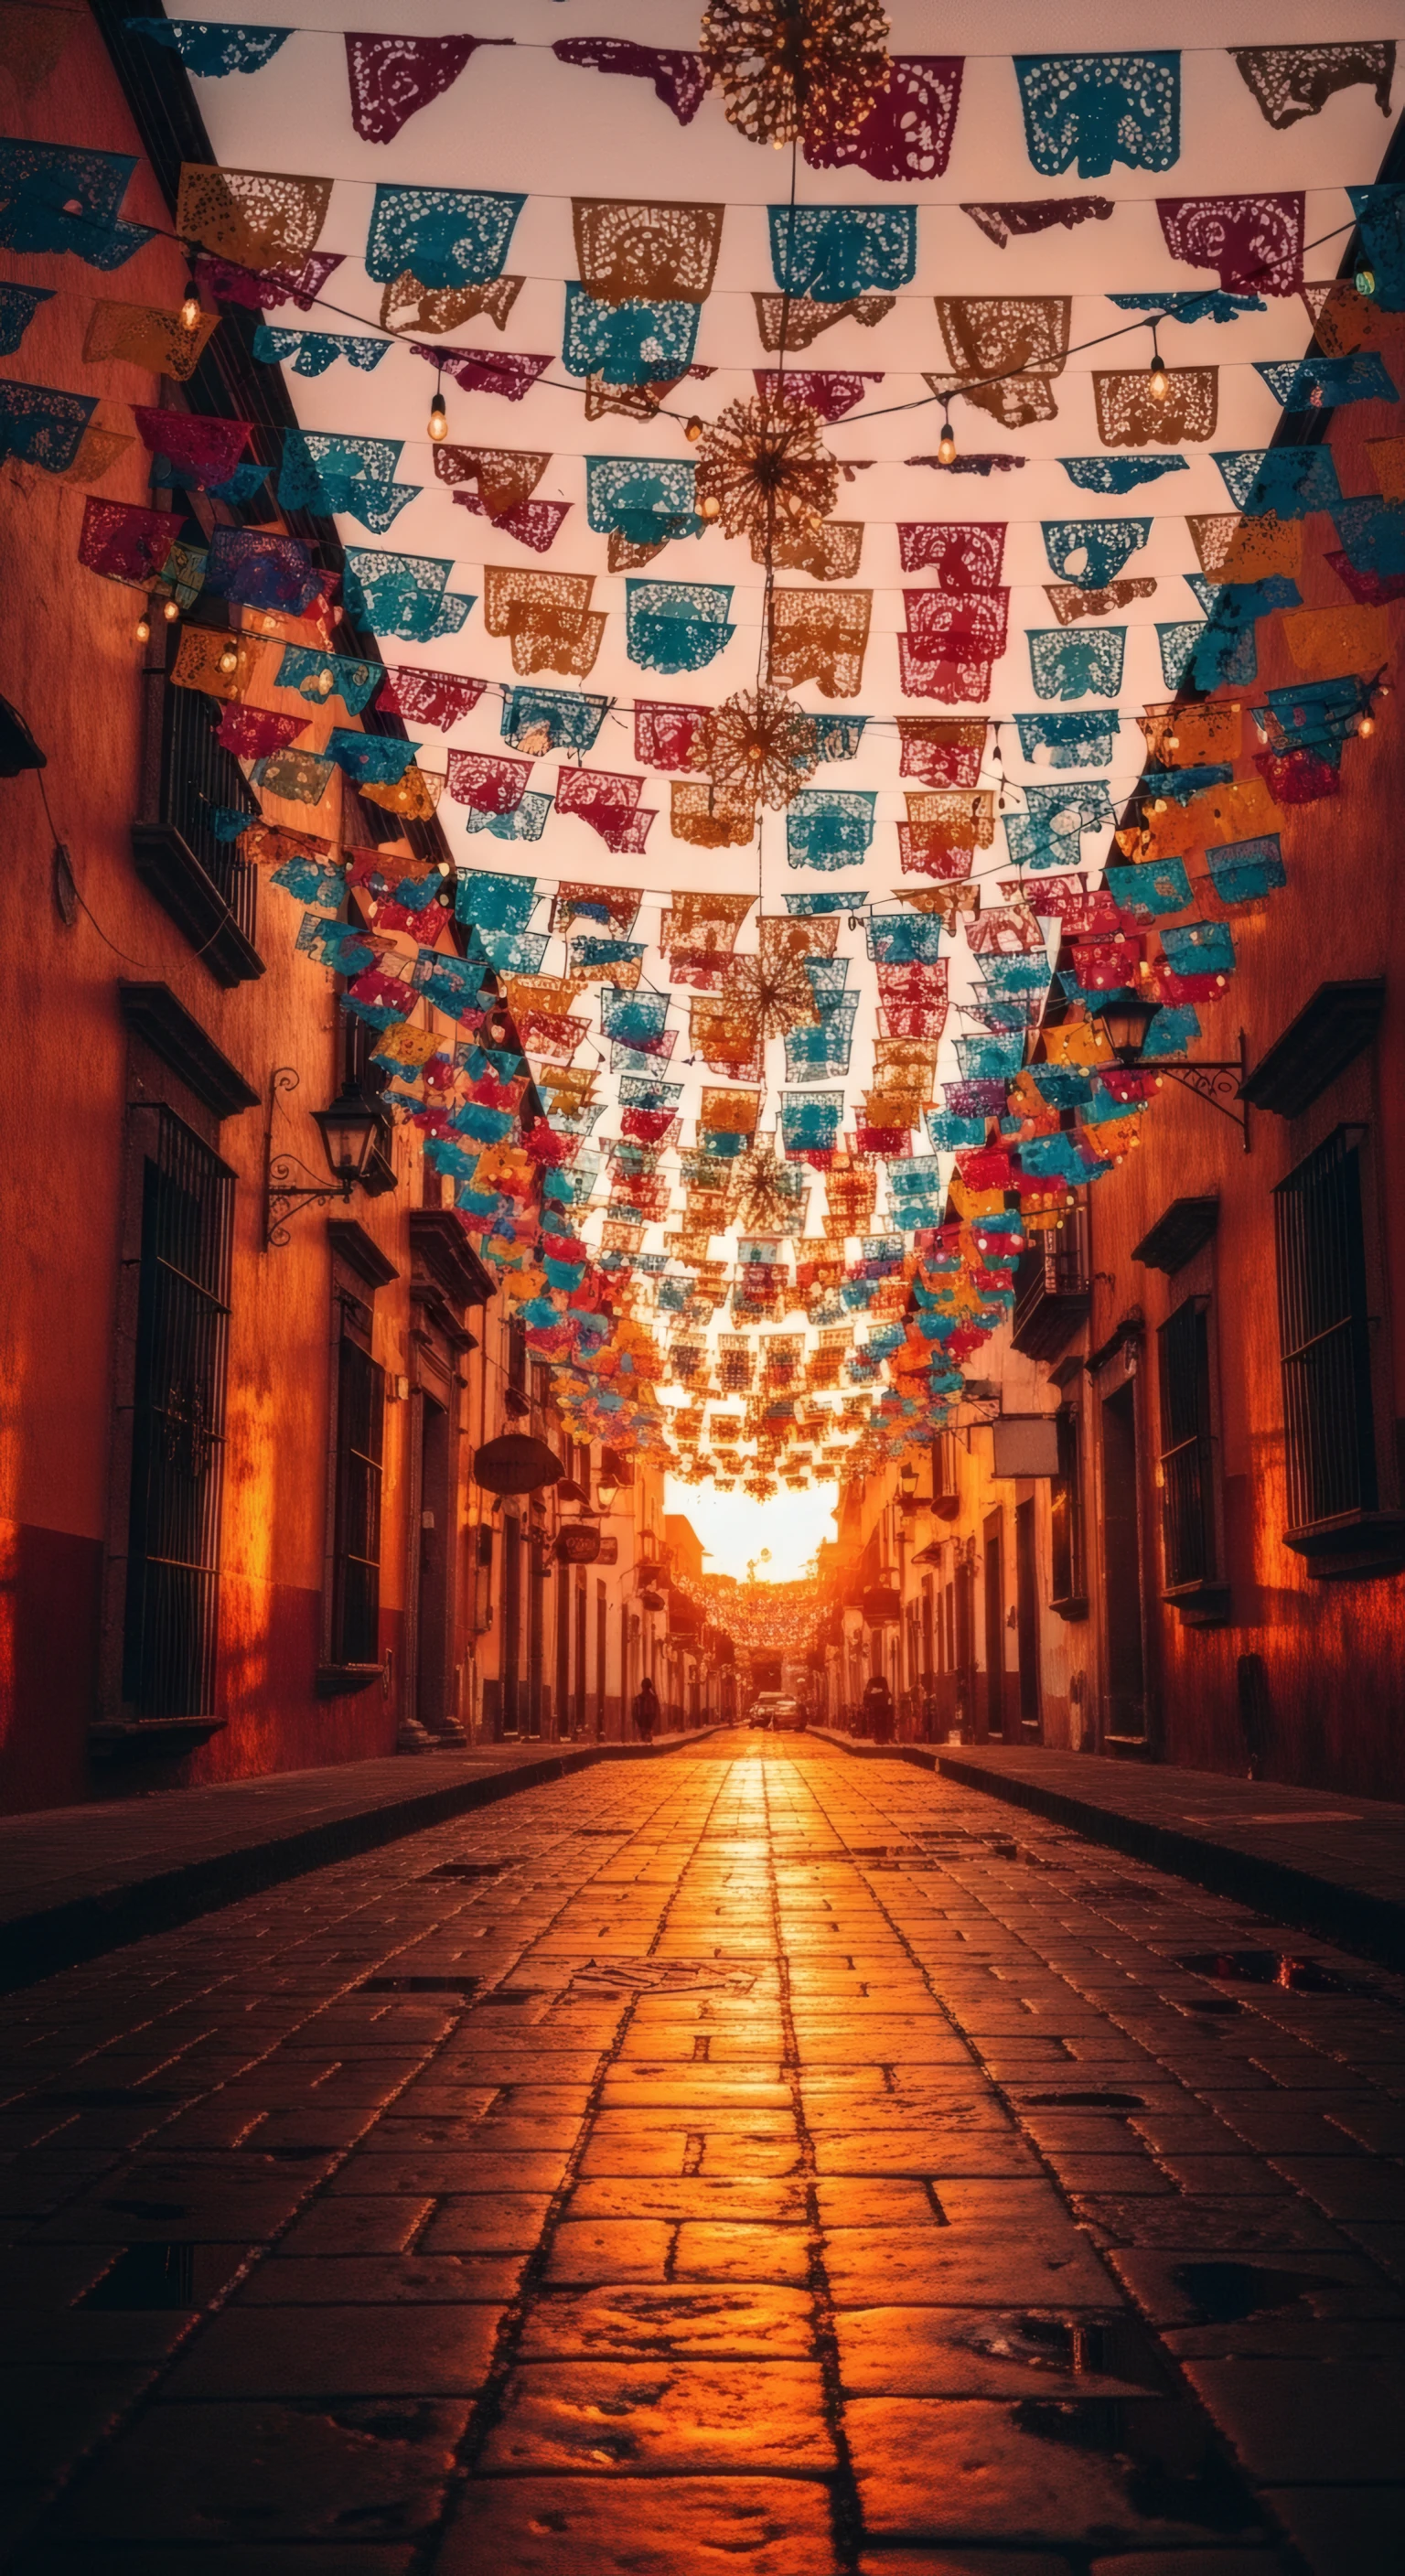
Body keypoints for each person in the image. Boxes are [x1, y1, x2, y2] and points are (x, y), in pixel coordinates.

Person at [863, 1671, 895, 1744]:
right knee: (882, 1723)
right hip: (882, 1708)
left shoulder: (872, 1684)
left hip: (877, 1708)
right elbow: (888, 1696)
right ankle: (882, 1737)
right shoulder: (883, 1686)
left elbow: (867, 1696)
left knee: (879, 1723)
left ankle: (880, 1737)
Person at [633, 1675, 660, 1744]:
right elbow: (656, 1710)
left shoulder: (639, 1698)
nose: (644, 1689)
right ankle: (646, 1739)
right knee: (645, 1731)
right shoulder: (652, 1698)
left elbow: (635, 1710)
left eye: (644, 1687)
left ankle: (646, 1739)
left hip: (644, 1718)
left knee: (645, 1731)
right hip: (645, 1718)